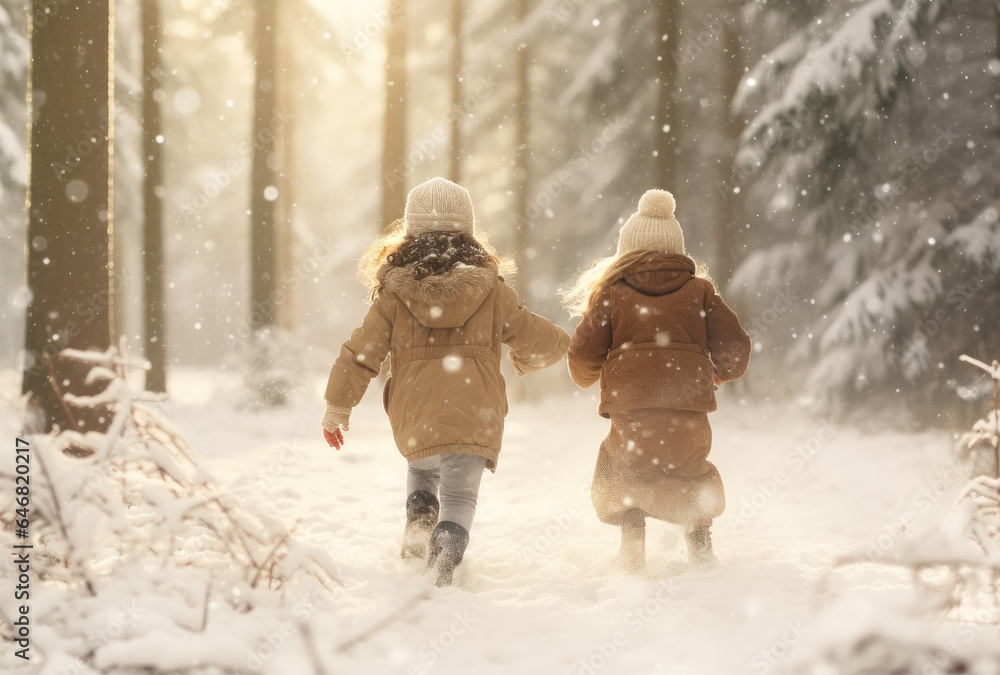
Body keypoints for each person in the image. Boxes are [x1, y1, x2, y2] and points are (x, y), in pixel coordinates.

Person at [322, 177, 570, 586]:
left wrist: (338, 405)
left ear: (410, 230)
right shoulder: (492, 291)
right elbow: (532, 334)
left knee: (423, 470)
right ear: (468, 231)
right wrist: (565, 347)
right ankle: (445, 558)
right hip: (476, 409)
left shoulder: (393, 294)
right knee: (460, 495)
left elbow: (360, 352)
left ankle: (419, 528)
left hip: (414, 406)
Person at [563, 189, 751, 571]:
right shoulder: (700, 292)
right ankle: (700, 546)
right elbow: (735, 345)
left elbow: (583, 352)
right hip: (687, 404)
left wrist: (587, 375)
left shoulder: (612, 294)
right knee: (689, 465)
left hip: (630, 404)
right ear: (677, 251)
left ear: (625, 253)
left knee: (623, 466)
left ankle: (632, 545)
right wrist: (720, 371)